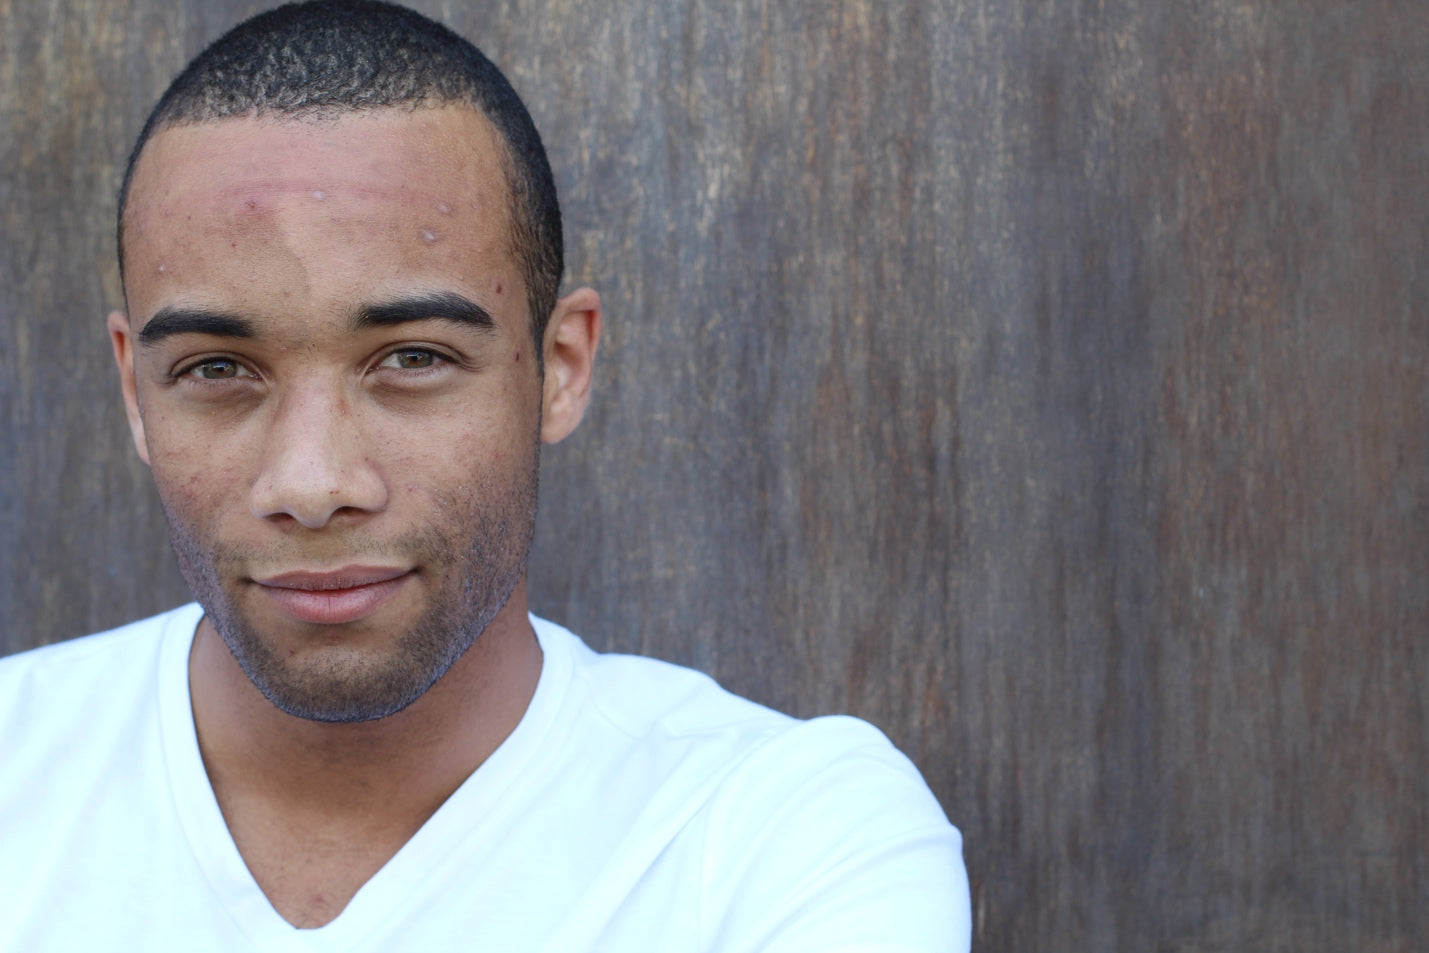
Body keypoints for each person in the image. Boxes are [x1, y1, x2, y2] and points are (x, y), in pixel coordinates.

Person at [0, 1, 971, 948]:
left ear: (560, 366)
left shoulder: (782, 836)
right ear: (135, 391)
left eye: (412, 358)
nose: (312, 480)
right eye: (216, 370)